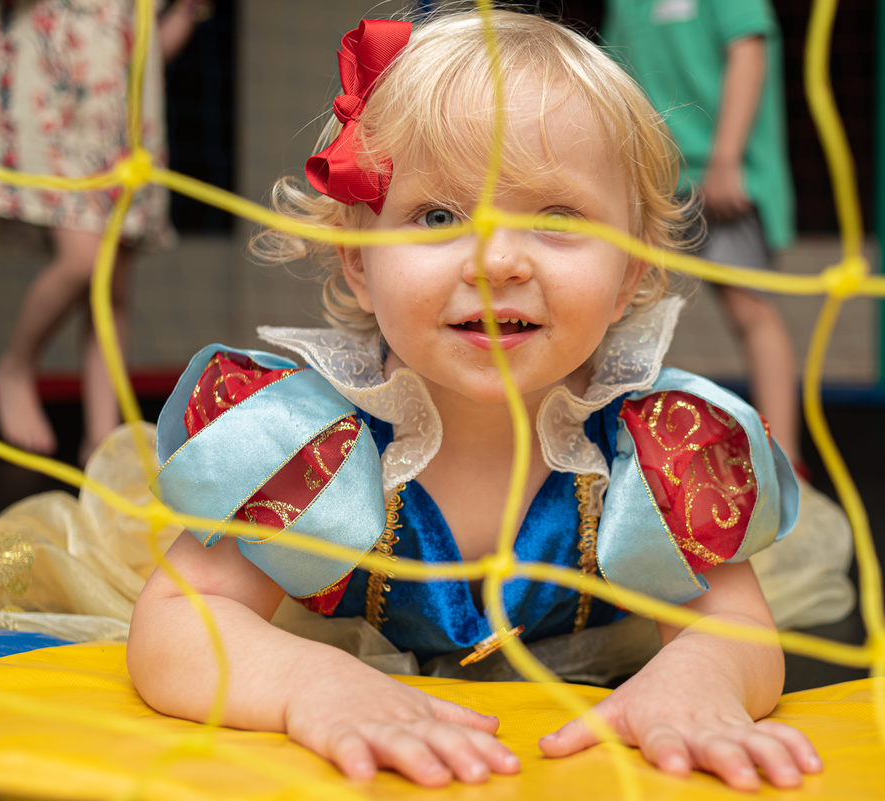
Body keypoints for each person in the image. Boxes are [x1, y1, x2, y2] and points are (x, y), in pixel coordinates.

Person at [126, 10, 822, 792]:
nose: (496, 260)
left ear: (631, 269)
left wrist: (700, 678)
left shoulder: (658, 445)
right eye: (438, 216)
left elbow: (738, 629)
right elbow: (175, 625)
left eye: (556, 217)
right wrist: (306, 683)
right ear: (359, 258)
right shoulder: (307, 442)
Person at [0, 0, 206, 464]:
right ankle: (16, 363)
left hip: (117, 120)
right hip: (57, 96)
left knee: (111, 284)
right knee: (85, 260)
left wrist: (189, 9)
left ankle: (102, 440)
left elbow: (146, 53)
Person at [602, 0, 803, 468]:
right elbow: (615, 79)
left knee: (752, 310)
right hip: (653, 177)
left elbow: (749, 53)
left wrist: (727, 158)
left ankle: (787, 460)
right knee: (618, 311)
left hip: (720, 176)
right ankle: (607, 450)